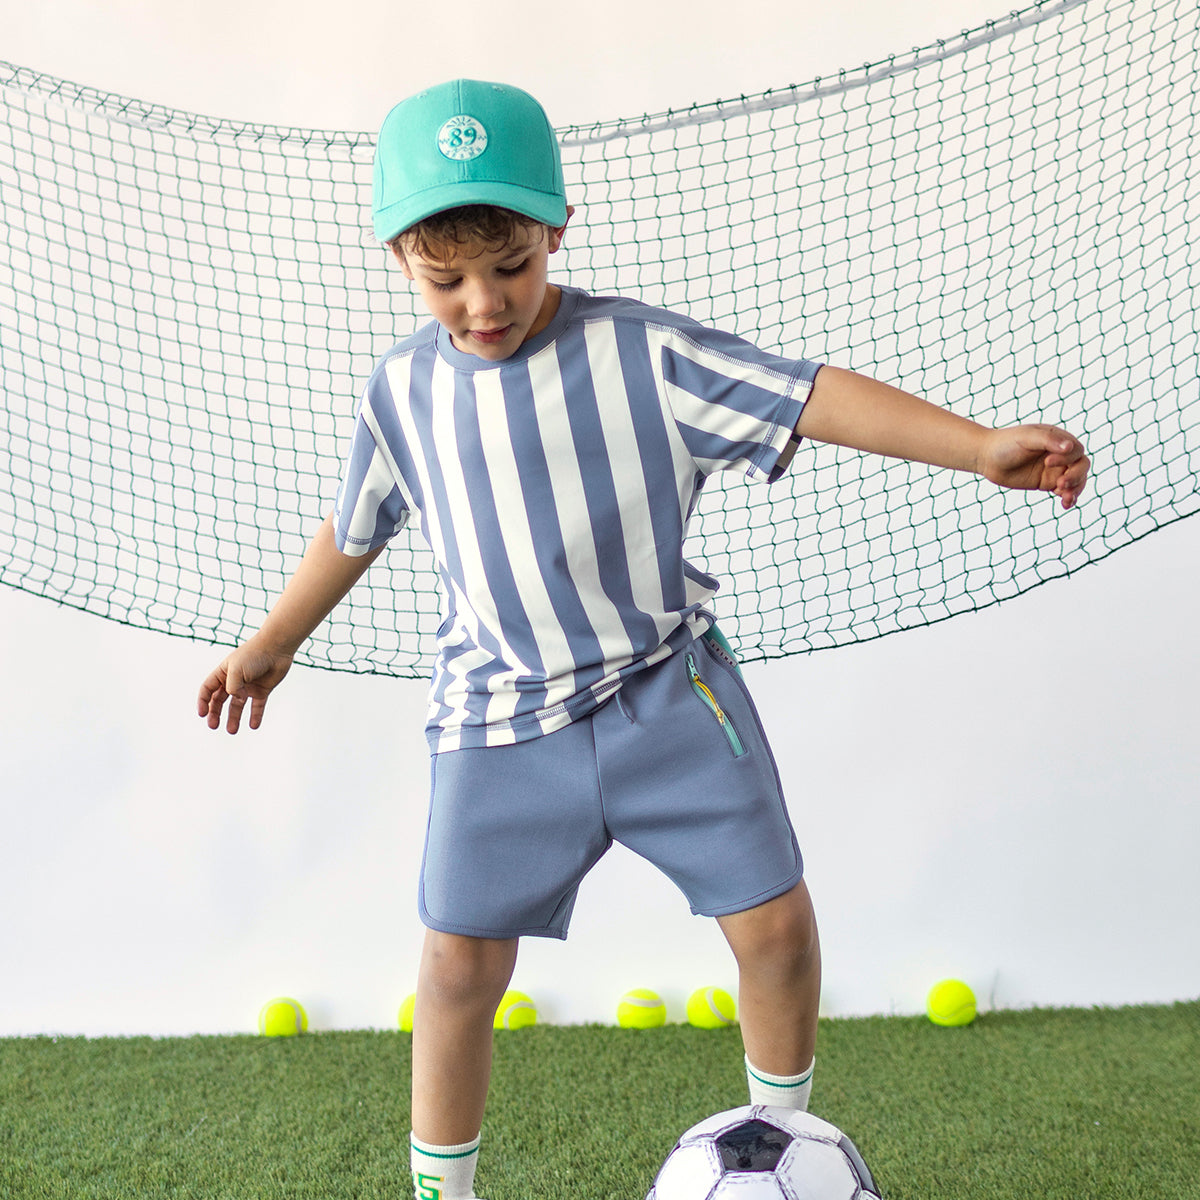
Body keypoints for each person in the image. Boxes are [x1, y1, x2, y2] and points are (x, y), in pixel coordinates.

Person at [197, 78, 1090, 1200]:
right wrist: (273, 641)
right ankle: (444, 1193)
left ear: (556, 230)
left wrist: (979, 446)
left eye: (510, 264)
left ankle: (782, 1153)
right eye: (446, 278)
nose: (483, 301)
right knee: (457, 966)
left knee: (775, 927)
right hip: (497, 723)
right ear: (399, 261)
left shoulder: (644, 355)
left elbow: (808, 396)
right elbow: (356, 525)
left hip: (668, 696)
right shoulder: (402, 390)